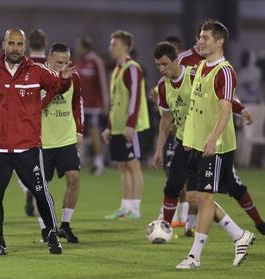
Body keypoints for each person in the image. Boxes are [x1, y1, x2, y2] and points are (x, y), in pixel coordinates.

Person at [0, 28, 75, 255]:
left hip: (28, 147)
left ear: (24, 47)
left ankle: (52, 235)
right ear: (4, 45)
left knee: (40, 191)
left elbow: (57, 86)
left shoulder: (37, 71)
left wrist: (64, 80)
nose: (15, 48)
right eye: (11, 43)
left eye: (19, 44)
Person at [152, 41, 255, 237]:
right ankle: (164, 228)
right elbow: (166, 119)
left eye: (165, 64)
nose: (162, 69)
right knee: (176, 187)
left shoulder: (194, 75)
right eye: (158, 65)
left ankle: (240, 233)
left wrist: (240, 109)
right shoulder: (162, 86)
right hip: (184, 141)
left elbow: (221, 97)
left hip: (203, 142)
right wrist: (159, 149)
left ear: (176, 60)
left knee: (206, 195)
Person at [176, 20, 255, 269]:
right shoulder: (200, 67)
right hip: (198, 144)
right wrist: (190, 138)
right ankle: (239, 235)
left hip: (216, 146)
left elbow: (225, 109)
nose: (200, 41)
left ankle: (194, 257)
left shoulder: (225, 71)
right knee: (193, 196)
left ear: (220, 41)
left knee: (205, 198)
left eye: (206, 38)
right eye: (200, 37)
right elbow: (195, 106)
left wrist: (212, 138)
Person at [36, 43, 83, 243]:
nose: (62, 67)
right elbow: (36, 106)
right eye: (58, 63)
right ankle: (46, 228)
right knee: (39, 187)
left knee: (74, 179)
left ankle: (65, 225)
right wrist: (57, 85)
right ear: (49, 60)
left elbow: (77, 103)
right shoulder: (39, 78)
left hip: (66, 138)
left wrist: (79, 130)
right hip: (43, 141)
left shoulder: (75, 78)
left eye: (65, 62)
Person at [102, 30, 149, 220]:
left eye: (115, 44)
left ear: (126, 46)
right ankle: (125, 207)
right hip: (118, 127)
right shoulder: (116, 70)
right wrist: (109, 127)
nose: (111, 47)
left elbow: (136, 98)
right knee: (122, 166)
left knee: (133, 165)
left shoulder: (132, 68)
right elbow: (115, 102)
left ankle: (135, 209)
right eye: (111, 43)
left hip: (131, 127)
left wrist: (130, 125)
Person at [22, 29, 49, 217]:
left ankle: (30, 192)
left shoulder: (24, 65)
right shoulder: (51, 65)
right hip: (50, 123)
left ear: (28, 45)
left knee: (25, 162)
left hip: (26, 122)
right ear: (45, 44)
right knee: (43, 164)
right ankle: (36, 195)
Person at [75, 36, 109, 176]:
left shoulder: (96, 62)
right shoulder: (79, 62)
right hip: (80, 105)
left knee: (95, 133)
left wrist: (105, 104)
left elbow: (102, 82)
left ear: (84, 46)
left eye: (78, 45)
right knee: (76, 134)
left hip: (94, 106)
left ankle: (98, 163)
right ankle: (77, 161)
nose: (76, 48)